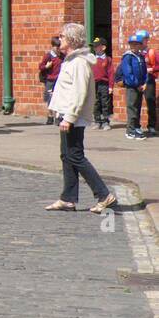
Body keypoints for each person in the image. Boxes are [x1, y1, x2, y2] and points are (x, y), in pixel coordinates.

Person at [45, 23, 118, 214]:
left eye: (62, 36)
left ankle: (103, 195)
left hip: (73, 117)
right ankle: (68, 199)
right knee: (67, 155)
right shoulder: (71, 60)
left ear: (71, 40)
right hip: (67, 115)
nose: (59, 39)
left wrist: (69, 117)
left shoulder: (79, 62)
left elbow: (79, 92)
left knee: (75, 156)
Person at [113, 32, 149, 140]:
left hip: (140, 86)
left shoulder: (140, 57)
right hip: (132, 87)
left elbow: (145, 72)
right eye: (132, 44)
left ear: (140, 45)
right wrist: (136, 84)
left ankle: (136, 127)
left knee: (137, 107)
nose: (134, 46)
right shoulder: (127, 57)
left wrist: (144, 83)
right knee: (132, 108)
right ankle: (130, 130)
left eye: (137, 44)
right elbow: (128, 73)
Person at [38, 36, 63, 124]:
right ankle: (50, 115)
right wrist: (46, 66)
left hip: (59, 80)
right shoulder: (48, 56)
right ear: (52, 46)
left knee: (58, 98)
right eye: (57, 47)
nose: (59, 49)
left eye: (60, 47)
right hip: (50, 80)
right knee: (50, 99)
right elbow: (40, 66)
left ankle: (57, 116)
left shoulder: (62, 56)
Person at [91, 38, 114, 130]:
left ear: (103, 47)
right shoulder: (92, 59)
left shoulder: (107, 59)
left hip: (104, 84)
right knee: (96, 103)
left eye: (97, 46)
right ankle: (97, 121)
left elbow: (111, 73)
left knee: (105, 103)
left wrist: (111, 86)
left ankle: (106, 121)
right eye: (94, 47)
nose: (95, 48)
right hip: (94, 84)